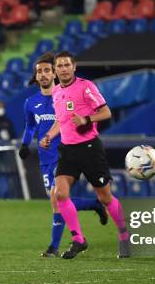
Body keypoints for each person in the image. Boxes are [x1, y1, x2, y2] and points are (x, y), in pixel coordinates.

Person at [40, 51, 131, 259]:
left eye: (66, 65)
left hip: (89, 148)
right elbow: (61, 121)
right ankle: (78, 239)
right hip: (67, 149)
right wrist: (49, 135)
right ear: (55, 70)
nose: (63, 69)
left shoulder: (86, 86)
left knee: (105, 197)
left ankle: (124, 236)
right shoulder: (56, 92)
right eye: (59, 66)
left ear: (74, 67)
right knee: (59, 194)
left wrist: (87, 119)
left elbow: (106, 112)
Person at [19, 52, 108, 257]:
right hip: (45, 156)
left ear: (55, 73)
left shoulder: (63, 95)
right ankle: (94, 204)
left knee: (56, 198)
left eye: (47, 70)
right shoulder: (30, 103)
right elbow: (30, 126)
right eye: (39, 71)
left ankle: (55, 246)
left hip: (65, 153)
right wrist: (25, 144)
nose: (43, 74)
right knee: (57, 200)